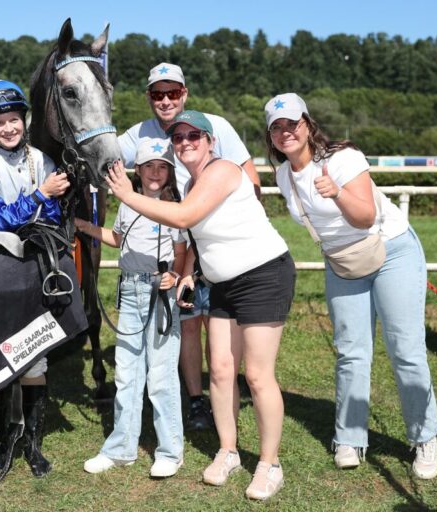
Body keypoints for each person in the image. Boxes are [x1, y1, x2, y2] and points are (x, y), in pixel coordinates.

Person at [107, 111, 296, 501]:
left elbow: (185, 216)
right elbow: (199, 235)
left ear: (210, 141)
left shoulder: (223, 169)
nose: (186, 142)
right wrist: (193, 272)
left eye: (195, 135)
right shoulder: (192, 181)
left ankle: (269, 463)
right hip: (222, 281)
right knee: (221, 372)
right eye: (178, 137)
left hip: (263, 276)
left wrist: (128, 195)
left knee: (258, 376)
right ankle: (228, 451)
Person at [265, 93, 437, 479]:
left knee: (405, 349)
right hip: (343, 262)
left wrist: (338, 192)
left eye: (291, 123)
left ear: (308, 125)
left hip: (391, 249)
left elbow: (364, 216)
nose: (285, 132)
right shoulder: (282, 176)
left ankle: (425, 436)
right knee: (350, 351)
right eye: (276, 127)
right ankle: (349, 438)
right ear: (270, 136)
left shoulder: (344, 159)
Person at [118, 62, 262, 431]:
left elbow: (252, 181)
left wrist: (236, 226)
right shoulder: (136, 134)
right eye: (157, 94)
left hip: (214, 242)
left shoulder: (215, 126)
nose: (165, 100)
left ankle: (224, 397)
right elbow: (104, 161)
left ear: (185, 93)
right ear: (149, 97)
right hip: (175, 247)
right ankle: (196, 401)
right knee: (188, 324)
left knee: (221, 323)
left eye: (173, 92)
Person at [0, 79, 70, 478]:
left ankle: (33, 444)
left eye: (13, 119)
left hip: (34, 269)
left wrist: (51, 202)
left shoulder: (43, 159)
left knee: (35, 357)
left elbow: (55, 219)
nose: (8, 128)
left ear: (24, 120)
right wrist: (41, 195)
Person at [78, 138, 186, 478]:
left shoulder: (174, 206)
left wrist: (175, 274)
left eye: (162, 167)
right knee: (126, 373)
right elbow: (117, 238)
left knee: (161, 377)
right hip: (130, 290)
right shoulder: (127, 204)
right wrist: (83, 227)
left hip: (159, 293)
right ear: (136, 171)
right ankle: (121, 448)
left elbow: (181, 251)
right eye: (148, 166)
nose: (155, 173)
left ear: (169, 173)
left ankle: (170, 451)